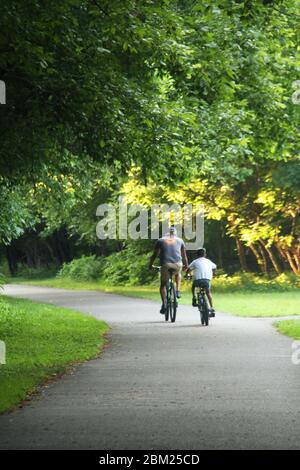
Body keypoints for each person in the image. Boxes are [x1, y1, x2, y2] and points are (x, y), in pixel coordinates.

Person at [149, 226, 188, 314]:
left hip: (165, 265)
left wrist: (150, 265)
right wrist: (186, 266)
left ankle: (164, 304)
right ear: (175, 233)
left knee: (163, 285)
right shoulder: (180, 240)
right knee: (178, 273)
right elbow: (184, 256)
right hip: (178, 264)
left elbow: (155, 254)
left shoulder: (160, 240)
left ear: (166, 233)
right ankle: (177, 291)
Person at [186, 248, 216, 317]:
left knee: (193, 286)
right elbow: (214, 267)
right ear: (205, 254)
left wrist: (187, 275)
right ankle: (212, 308)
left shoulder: (195, 261)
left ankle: (194, 298)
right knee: (208, 292)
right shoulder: (208, 261)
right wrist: (214, 273)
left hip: (198, 281)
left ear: (197, 255)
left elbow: (188, 269)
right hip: (207, 280)